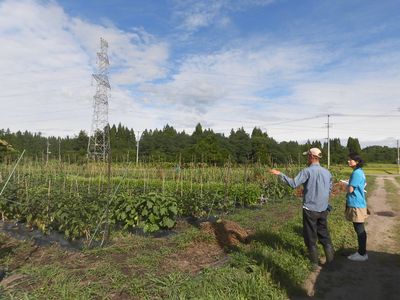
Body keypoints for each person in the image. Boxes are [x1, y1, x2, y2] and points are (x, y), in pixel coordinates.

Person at [270, 148, 334, 266]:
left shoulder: (307, 171)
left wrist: (280, 174)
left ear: (311, 157)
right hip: (323, 208)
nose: (307, 159)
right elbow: (330, 189)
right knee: (324, 234)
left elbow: (294, 183)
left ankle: (315, 264)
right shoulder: (327, 172)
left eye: (307, 156)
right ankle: (331, 262)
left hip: (310, 209)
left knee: (310, 236)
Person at [345, 153, 368, 261]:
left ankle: (362, 254)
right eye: (348, 160)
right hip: (359, 203)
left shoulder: (356, 173)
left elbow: (350, 190)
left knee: (359, 229)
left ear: (357, 161)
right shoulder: (359, 172)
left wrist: (345, 185)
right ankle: (361, 252)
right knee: (359, 228)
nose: (348, 161)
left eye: (351, 160)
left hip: (356, 204)